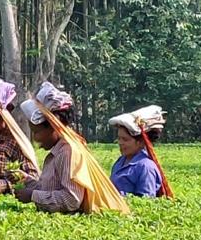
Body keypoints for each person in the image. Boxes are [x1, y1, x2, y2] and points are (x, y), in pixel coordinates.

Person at [13, 82, 129, 214]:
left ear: (54, 126)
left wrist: (32, 196)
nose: (35, 138)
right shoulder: (57, 152)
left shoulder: (69, 152)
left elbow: (71, 199)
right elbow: (50, 189)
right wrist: (25, 180)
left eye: (37, 132)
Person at [109, 105, 174, 199]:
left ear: (140, 142)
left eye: (125, 139)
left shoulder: (146, 167)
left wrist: (119, 197)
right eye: (119, 138)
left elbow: (146, 200)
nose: (120, 143)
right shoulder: (120, 161)